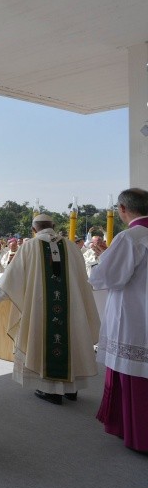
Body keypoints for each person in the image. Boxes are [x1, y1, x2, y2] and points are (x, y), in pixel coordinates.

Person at [0, 214, 99, 405]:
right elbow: (83, 279)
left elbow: (10, 279)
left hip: (40, 307)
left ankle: (52, 391)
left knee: (43, 340)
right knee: (71, 336)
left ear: (34, 230)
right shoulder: (71, 247)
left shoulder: (29, 247)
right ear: (54, 226)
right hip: (71, 308)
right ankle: (71, 389)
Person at [89, 187, 148, 453]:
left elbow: (106, 278)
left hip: (135, 316)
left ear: (123, 209)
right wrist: (107, 255)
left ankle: (138, 436)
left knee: (134, 375)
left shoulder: (131, 237)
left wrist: (103, 262)